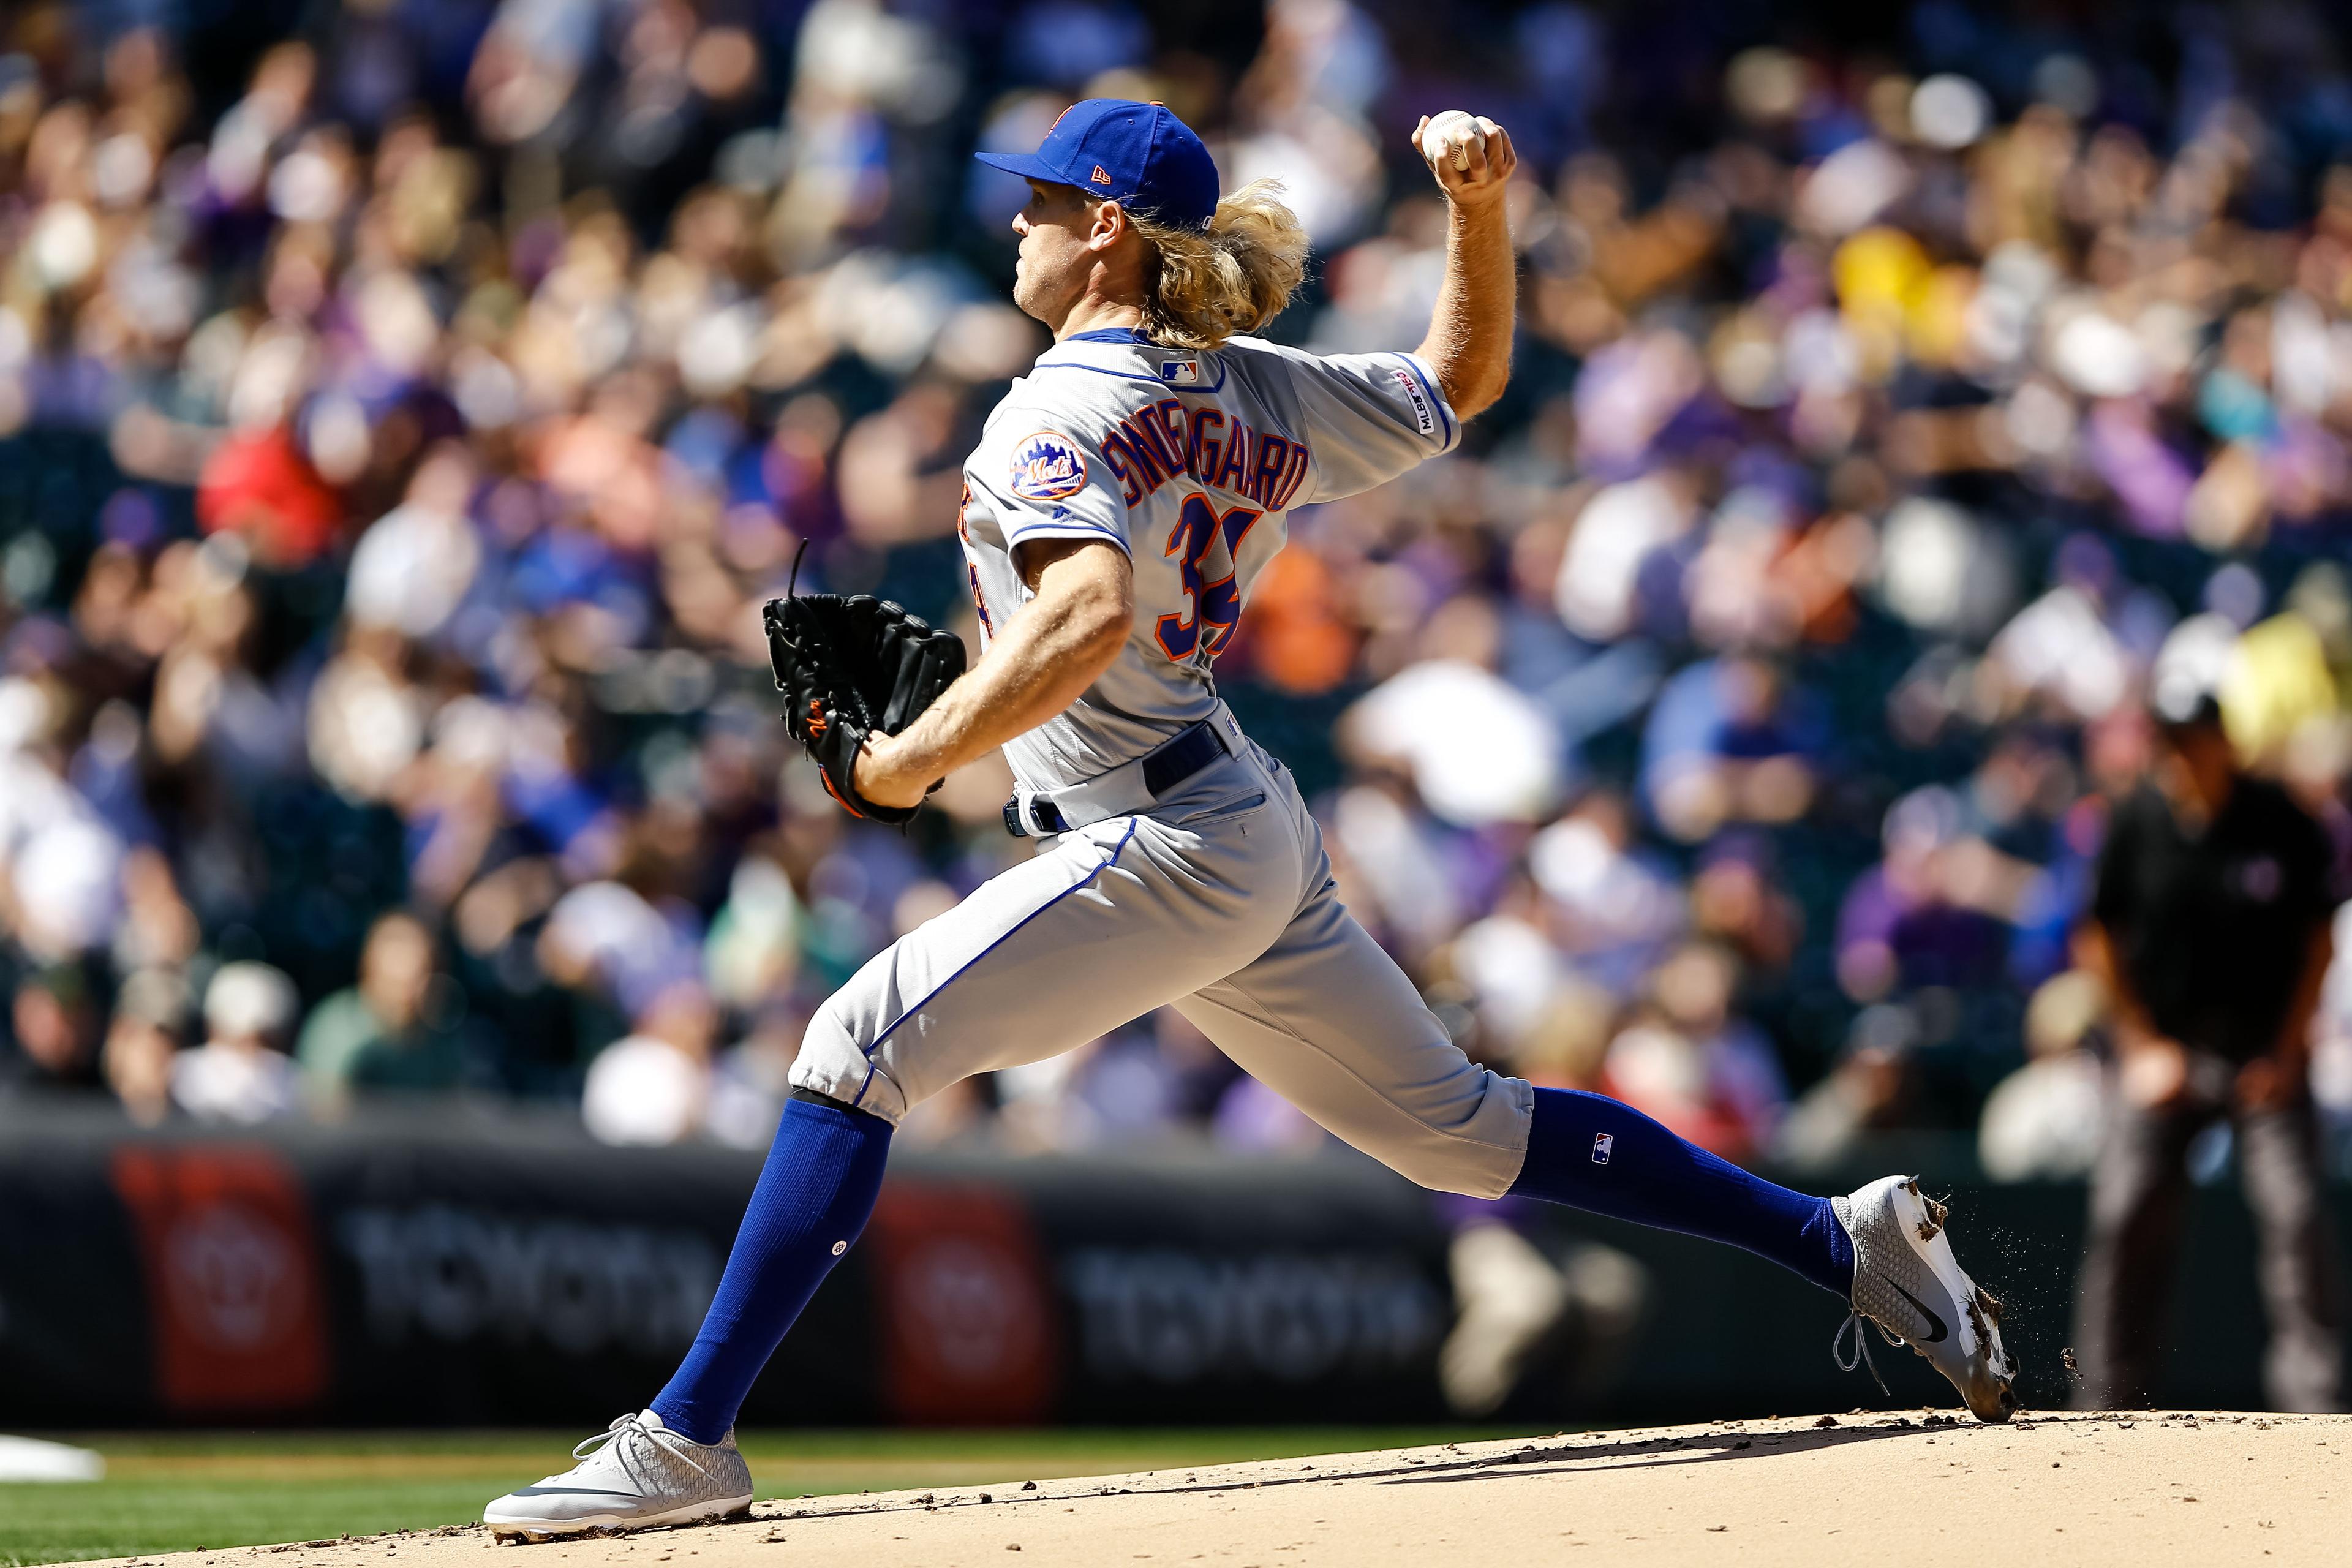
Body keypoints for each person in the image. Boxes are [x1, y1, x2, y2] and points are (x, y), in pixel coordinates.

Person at [484, 100, 2016, 1540]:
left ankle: (687, 1431)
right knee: (1462, 1130)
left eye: (1034, 204)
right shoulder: (1251, 381)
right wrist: (1478, 215)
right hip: (1230, 820)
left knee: (855, 1046)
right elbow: (1458, 383)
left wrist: (910, 763)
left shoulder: (1053, 407)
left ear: (1101, 228)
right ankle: (1843, 1235)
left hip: (1158, 836)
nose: (1010, 227)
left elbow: (1082, 613)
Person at [2072, 685, 2348, 1411]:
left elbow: (2320, 940)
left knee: (2295, 1215)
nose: (2177, 754)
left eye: (2190, 738)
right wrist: (2138, 1046)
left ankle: (2318, 1414)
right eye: (2166, 740)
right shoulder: (2134, 819)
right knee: (2126, 1210)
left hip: (2262, 1055)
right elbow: (2097, 937)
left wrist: (2289, 1052)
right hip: (2167, 1055)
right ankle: (2100, 1407)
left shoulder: (2282, 819)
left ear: (2223, 741)